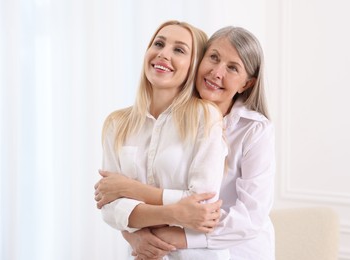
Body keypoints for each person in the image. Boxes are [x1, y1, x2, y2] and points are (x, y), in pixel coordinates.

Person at [95, 25, 275, 260]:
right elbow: (116, 206)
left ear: (246, 84)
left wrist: (132, 191)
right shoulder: (167, 118)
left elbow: (246, 216)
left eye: (232, 68)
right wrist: (133, 234)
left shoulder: (254, 129)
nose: (216, 72)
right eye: (213, 58)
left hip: (238, 251)